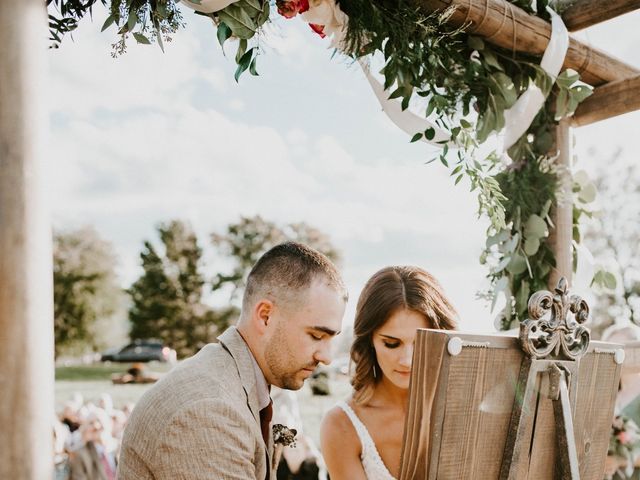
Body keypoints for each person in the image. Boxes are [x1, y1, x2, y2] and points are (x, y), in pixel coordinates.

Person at [118, 242, 348, 480]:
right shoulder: (208, 410)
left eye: (331, 339)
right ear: (265, 316)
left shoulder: (237, 383)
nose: (327, 357)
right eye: (316, 336)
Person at [320, 266, 458, 480]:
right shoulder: (342, 426)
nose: (407, 360)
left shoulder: (462, 409)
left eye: (421, 343)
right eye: (392, 344)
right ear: (370, 341)